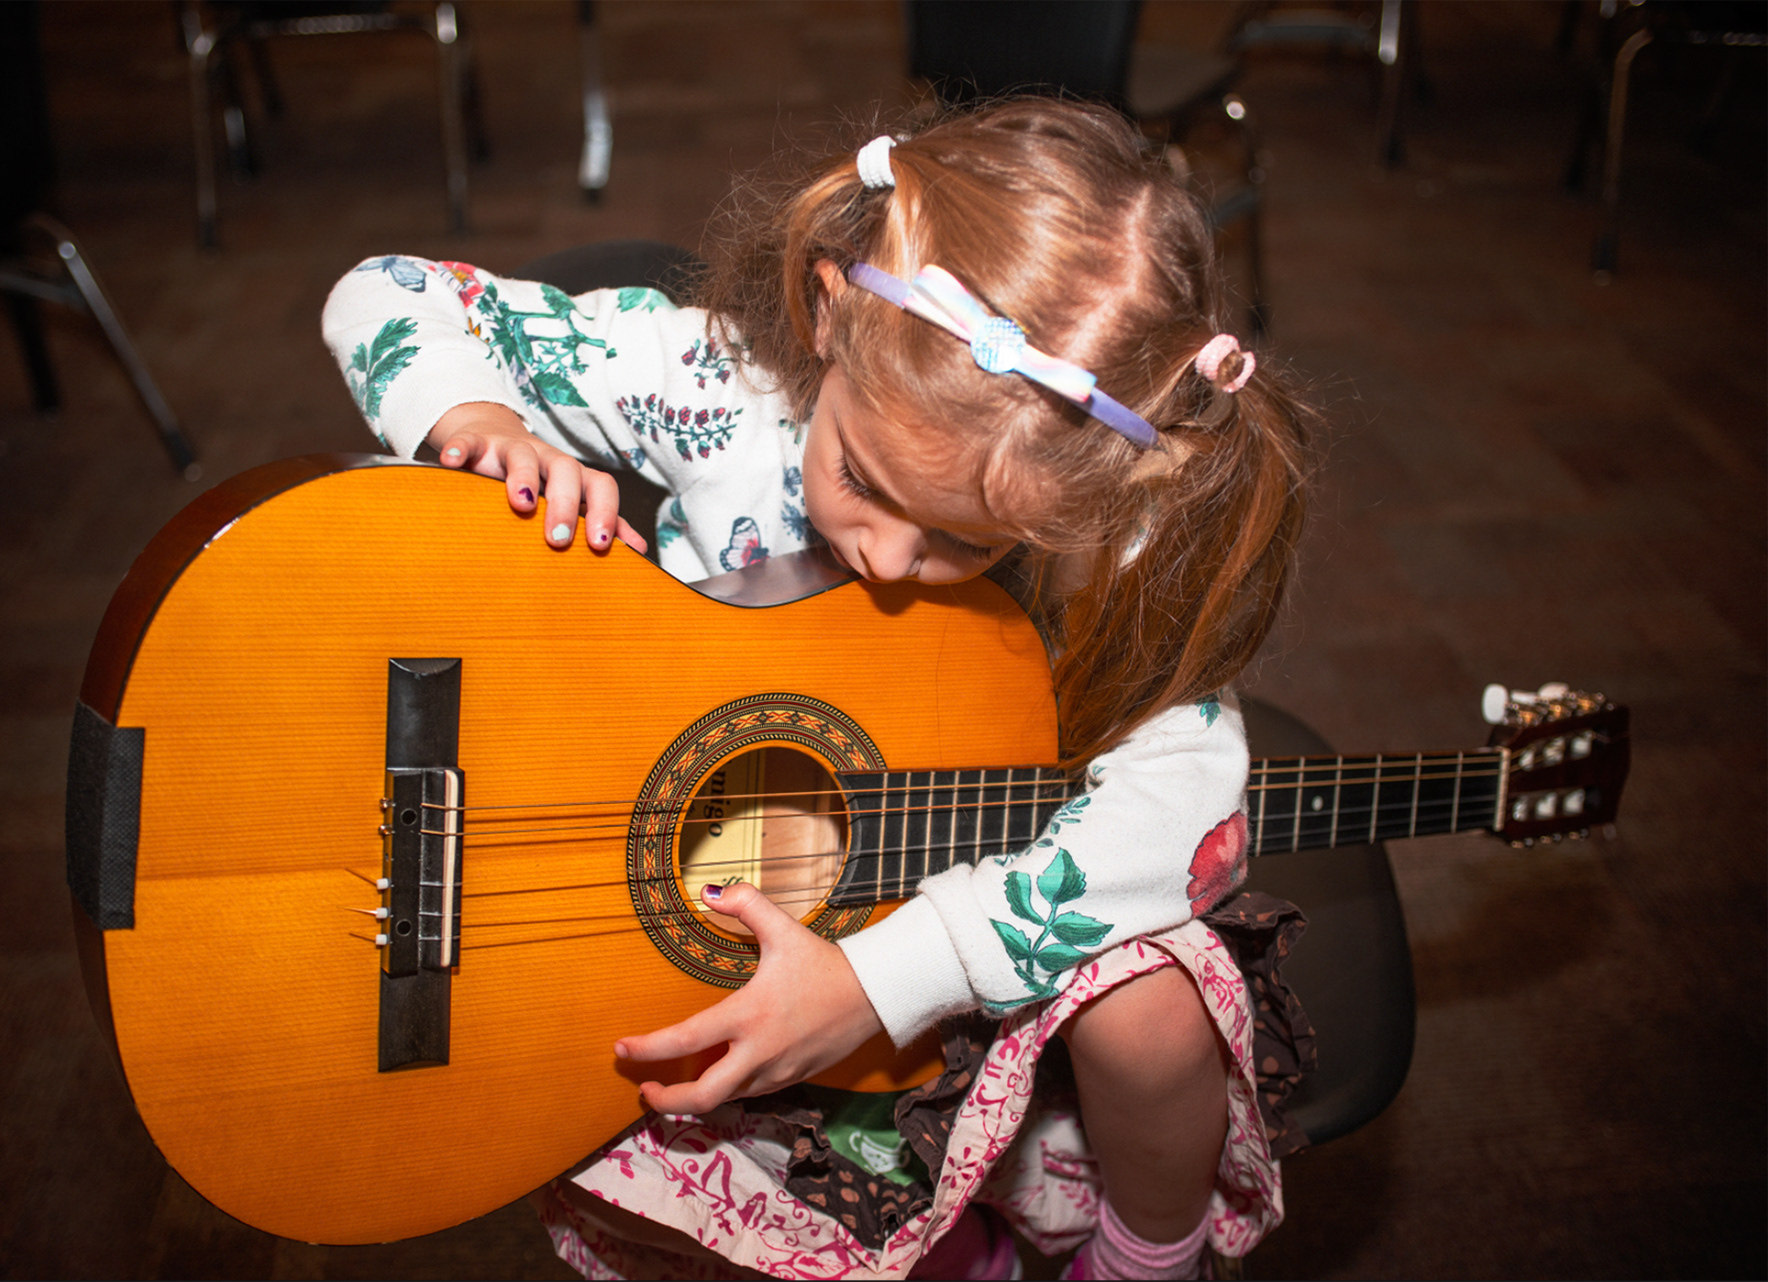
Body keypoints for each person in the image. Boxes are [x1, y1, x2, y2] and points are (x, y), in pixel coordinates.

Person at [322, 98, 1316, 1281]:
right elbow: (386, 294)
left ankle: (1140, 1260)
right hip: (691, 936)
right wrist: (478, 424)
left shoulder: (1089, 536)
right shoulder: (719, 386)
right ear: (830, 308)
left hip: (958, 971)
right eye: (863, 474)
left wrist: (883, 980)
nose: (887, 557)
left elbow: (1184, 803)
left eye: (961, 542)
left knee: (1154, 1005)